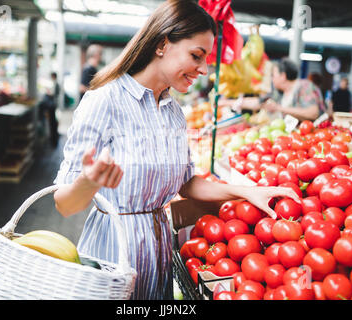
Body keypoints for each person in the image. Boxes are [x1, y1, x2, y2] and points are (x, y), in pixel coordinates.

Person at [53, 0, 300, 300]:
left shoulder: (173, 113)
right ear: (162, 45)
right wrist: (89, 182)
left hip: (158, 254)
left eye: (206, 58)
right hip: (113, 255)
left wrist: (247, 192)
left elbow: (187, 182)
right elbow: (64, 204)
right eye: (196, 55)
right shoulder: (104, 101)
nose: (204, 68)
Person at [38, 72, 59, 147]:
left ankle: (54, 141)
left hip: (52, 107)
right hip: (53, 107)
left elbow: (52, 94)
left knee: (52, 123)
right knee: (53, 123)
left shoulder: (54, 84)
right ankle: (54, 141)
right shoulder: (55, 84)